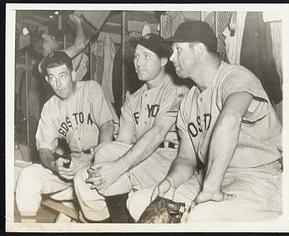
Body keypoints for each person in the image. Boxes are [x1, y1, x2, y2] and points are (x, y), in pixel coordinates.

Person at [127, 21, 282, 222]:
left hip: (258, 180)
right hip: (209, 179)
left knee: (201, 216)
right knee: (138, 202)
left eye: (178, 50)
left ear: (199, 49)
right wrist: (170, 181)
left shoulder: (235, 76)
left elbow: (230, 118)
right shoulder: (189, 101)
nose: (172, 57)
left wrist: (210, 188)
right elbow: (186, 160)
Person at [74, 33, 192, 223]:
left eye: (146, 56)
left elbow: (157, 133)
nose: (138, 62)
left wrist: (115, 167)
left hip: (170, 162)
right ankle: (115, 224)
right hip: (138, 162)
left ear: (163, 60)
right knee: (83, 180)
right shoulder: (133, 99)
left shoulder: (177, 89)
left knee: (105, 152)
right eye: (136, 56)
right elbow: (122, 142)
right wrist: (108, 168)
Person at [16, 51, 117, 222]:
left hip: (101, 161)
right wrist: (55, 165)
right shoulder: (50, 108)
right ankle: (27, 228)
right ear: (47, 80)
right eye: (52, 78)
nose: (58, 84)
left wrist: (99, 164)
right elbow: (44, 150)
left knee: (84, 197)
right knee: (28, 175)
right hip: (75, 164)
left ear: (73, 74)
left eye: (62, 76)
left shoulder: (91, 89)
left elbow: (107, 126)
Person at [31, 13, 90, 105]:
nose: (54, 37)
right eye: (51, 37)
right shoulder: (51, 59)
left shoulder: (46, 62)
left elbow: (81, 46)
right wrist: (77, 22)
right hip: (61, 107)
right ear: (45, 44)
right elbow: (80, 45)